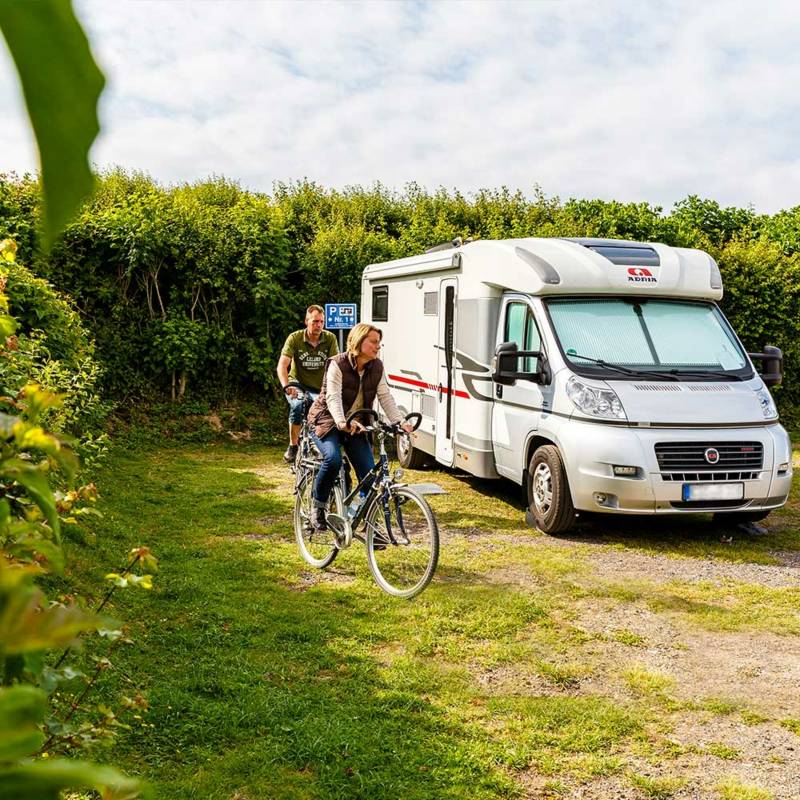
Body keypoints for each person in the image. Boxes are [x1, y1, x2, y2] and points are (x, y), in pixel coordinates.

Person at [306, 323, 413, 531]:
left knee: (369, 476)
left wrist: (399, 422)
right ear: (359, 341)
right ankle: (317, 506)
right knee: (332, 459)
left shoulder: (377, 366)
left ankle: (371, 525)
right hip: (327, 421)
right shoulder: (338, 364)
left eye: (379, 342)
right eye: (373, 342)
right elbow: (333, 397)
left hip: (357, 425)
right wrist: (342, 422)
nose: (378, 346)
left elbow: (385, 397)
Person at [276, 305, 339, 463]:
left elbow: (334, 366)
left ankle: (325, 446)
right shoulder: (295, 338)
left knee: (329, 411)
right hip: (298, 384)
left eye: (321, 322)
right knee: (297, 406)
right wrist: (286, 386)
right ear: (306, 321)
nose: (318, 325)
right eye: (315, 321)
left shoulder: (330, 338)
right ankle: (293, 445)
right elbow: (282, 365)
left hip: (321, 386)